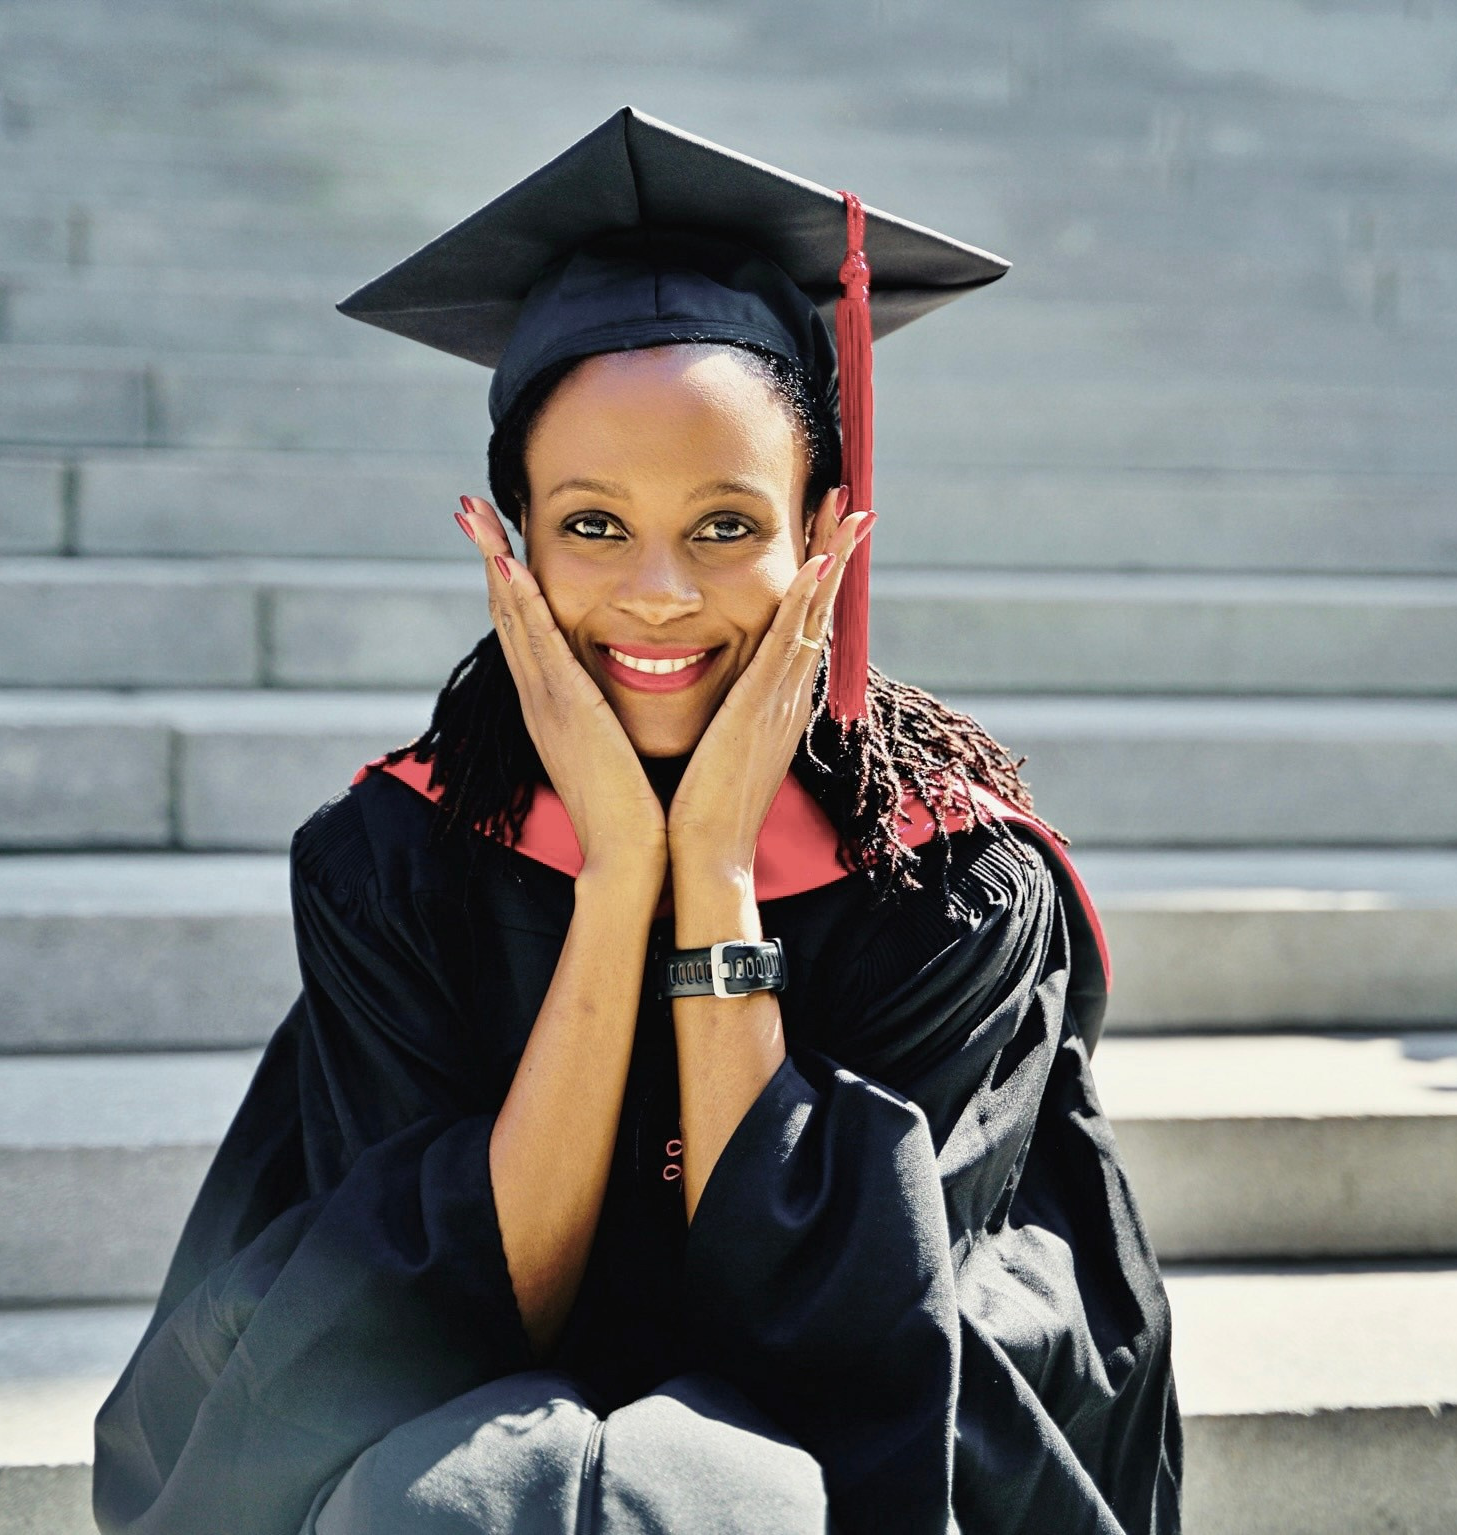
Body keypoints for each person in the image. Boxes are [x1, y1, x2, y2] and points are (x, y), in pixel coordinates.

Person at [92, 108, 1182, 1535]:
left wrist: (716, 870)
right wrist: (621, 877)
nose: (657, 592)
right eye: (592, 524)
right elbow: (442, 1311)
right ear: (512, 539)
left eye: (726, 524)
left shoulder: (950, 887)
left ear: (824, 535)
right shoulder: (396, 865)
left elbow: (842, 1334)